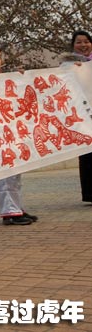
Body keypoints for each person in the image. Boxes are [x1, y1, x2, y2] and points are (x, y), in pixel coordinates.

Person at [0, 45, 38, 225]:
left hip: (11, 131)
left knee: (15, 173)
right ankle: (9, 212)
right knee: (5, 173)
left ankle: (17, 208)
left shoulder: (5, 79)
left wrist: (20, 79)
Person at [65, 31, 92, 203]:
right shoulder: (67, 65)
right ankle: (90, 193)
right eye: (79, 42)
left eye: (86, 41)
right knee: (88, 153)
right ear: (73, 45)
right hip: (82, 113)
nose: (83, 45)